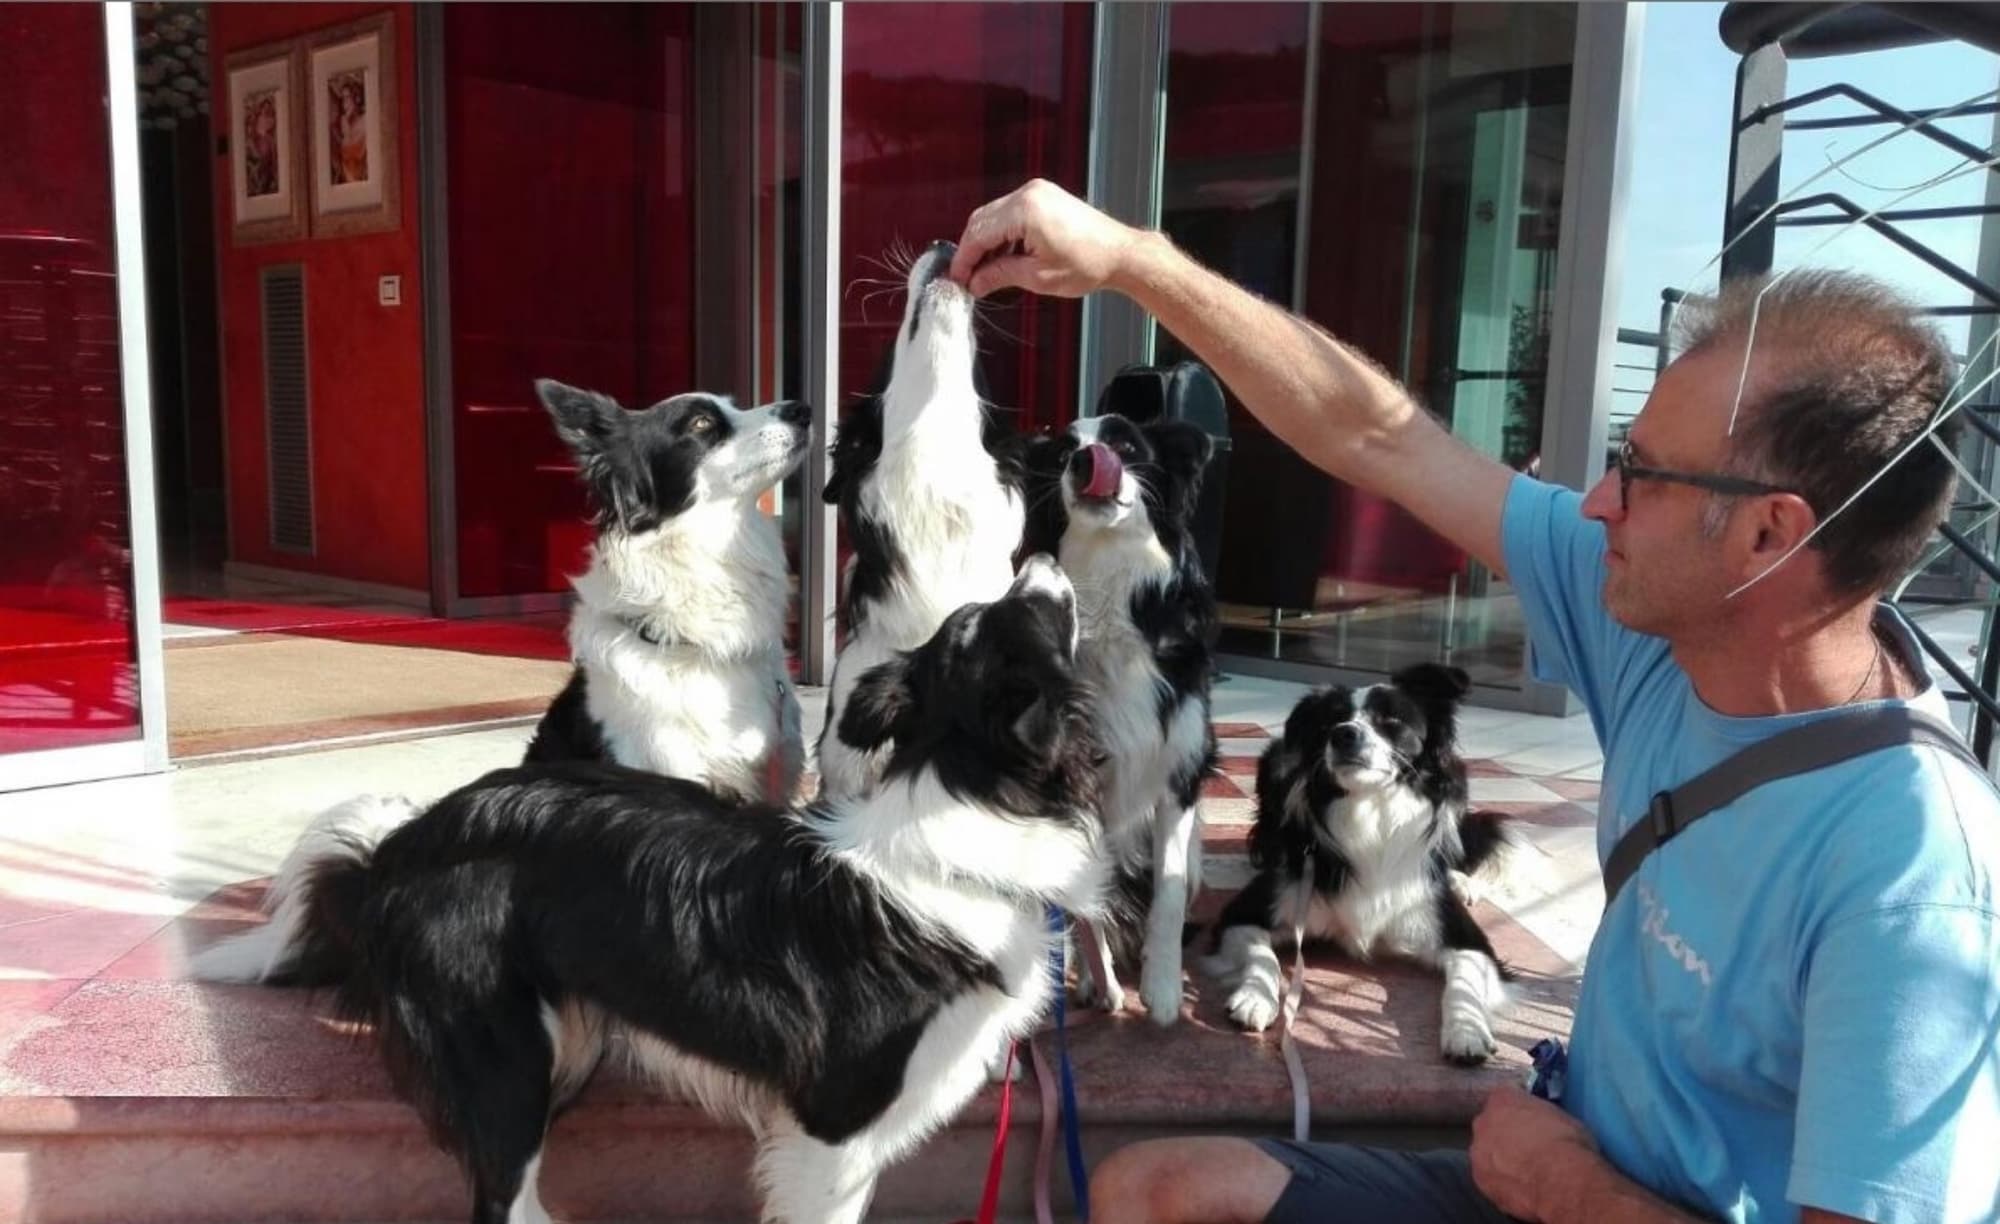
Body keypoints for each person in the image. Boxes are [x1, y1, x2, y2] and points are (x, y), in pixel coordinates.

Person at [951, 180, 2000, 1224]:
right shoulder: (1670, 639)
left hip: (1570, 1188)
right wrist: (1134, 260)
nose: (1596, 501)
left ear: (1768, 534)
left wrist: (1565, 1188)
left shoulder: (1912, 886)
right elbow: (1378, 437)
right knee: (1150, 1190)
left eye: (1639, 474)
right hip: (1550, 1173)